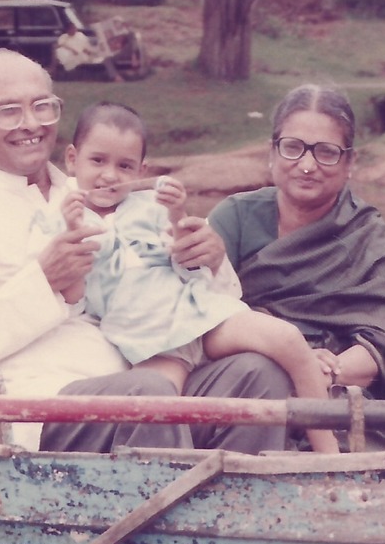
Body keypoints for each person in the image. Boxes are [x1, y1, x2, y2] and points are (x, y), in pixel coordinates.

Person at [0, 49, 284, 452]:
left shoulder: (106, 194)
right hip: (36, 412)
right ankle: (176, 511)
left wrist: (211, 260)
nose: (30, 124)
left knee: (255, 375)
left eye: (42, 108)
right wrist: (42, 282)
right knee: (146, 397)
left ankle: (233, 512)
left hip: (147, 379)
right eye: (8, 111)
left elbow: (194, 300)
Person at [53, 102, 340, 452]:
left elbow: (183, 255)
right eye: (98, 161)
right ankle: (183, 491)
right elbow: (74, 296)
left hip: (197, 314)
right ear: (72, 159)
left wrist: (176, 213)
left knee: (289, 341)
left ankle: (329, 456)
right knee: (162, 418)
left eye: (125, 166)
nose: (111, 176)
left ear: (142, 170)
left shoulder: (147, 207)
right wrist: (72, 230)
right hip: (151, 339)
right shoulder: (61, 217)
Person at [207, 84, 385, 447]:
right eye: (293, 148)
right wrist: (289, 360)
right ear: (271, 154)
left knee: (368, 474)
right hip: (249, 387)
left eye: (326, 153)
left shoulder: (367, 235)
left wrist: (321, 371)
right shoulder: (233, 219)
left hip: (339, 395)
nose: (307, 166)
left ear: (350, 163)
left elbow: (380, 346)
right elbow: (199, 319)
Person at [54, 23, 121, 81]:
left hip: (81, 53)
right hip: (70, 53)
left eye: (74, 28)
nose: (74, 29)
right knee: (67, 56)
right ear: (68, 30)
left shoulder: (80, 35)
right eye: (72, 28)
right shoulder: (64, 36)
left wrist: (87, 51)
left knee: (94, 55)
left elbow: (85, 45)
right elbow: (61, 44)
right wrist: (72, 49)